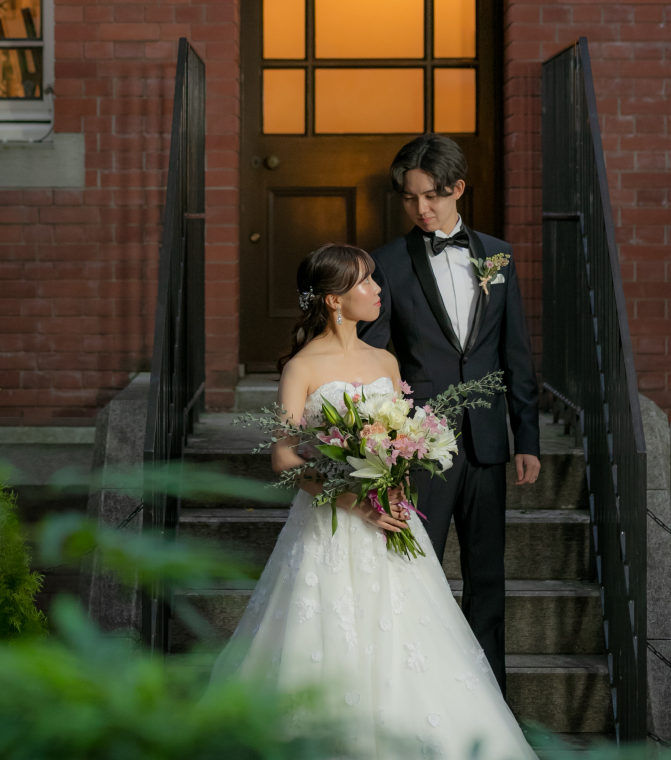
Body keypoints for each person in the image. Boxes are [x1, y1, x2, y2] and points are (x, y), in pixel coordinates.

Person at [210, 243, 536, 760]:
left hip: (392, 521)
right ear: (335, 301)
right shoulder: (302, 368)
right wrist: (350, 500)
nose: (378, 289)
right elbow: (284, 458)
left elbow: (403, 436)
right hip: (331, 526)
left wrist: (402, 471)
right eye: (365, 281)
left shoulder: (385, 360)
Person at [358, 133, 541, 694]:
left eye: (432, 197)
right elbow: (377, 360)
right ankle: (419, 694)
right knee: (419, 574)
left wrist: (526, 437)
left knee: (487, 578)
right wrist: (384, 449)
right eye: (410, 199)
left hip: (487, 441)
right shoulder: (387, 262)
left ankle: (489, 700)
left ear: (458, 188)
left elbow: (515, 351)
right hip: (421, 445)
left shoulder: (497, 256)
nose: (421, 209)